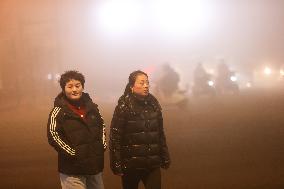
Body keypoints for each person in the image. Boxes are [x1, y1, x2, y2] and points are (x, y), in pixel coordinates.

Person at [109, 70, 171, 189]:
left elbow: (160, 133)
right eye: (141, 83)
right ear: (132, 86)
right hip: (131, 165)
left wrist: (165, 155)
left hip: (152, 164)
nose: (146, 86)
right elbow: (115, 136)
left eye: (147, 82)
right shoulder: (124, 106)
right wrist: (116, 163)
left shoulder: (154, 104)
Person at [47, 70, 106, 189]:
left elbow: (102, 127)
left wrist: (101, 146)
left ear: (82, 87)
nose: (74, 89)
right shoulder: (58, 112)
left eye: (77, 86)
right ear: (63, 89)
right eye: (70, 86)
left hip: (94, 167)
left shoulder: (93, 108)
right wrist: (73, 153)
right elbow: (53, 136)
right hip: (72, 170)